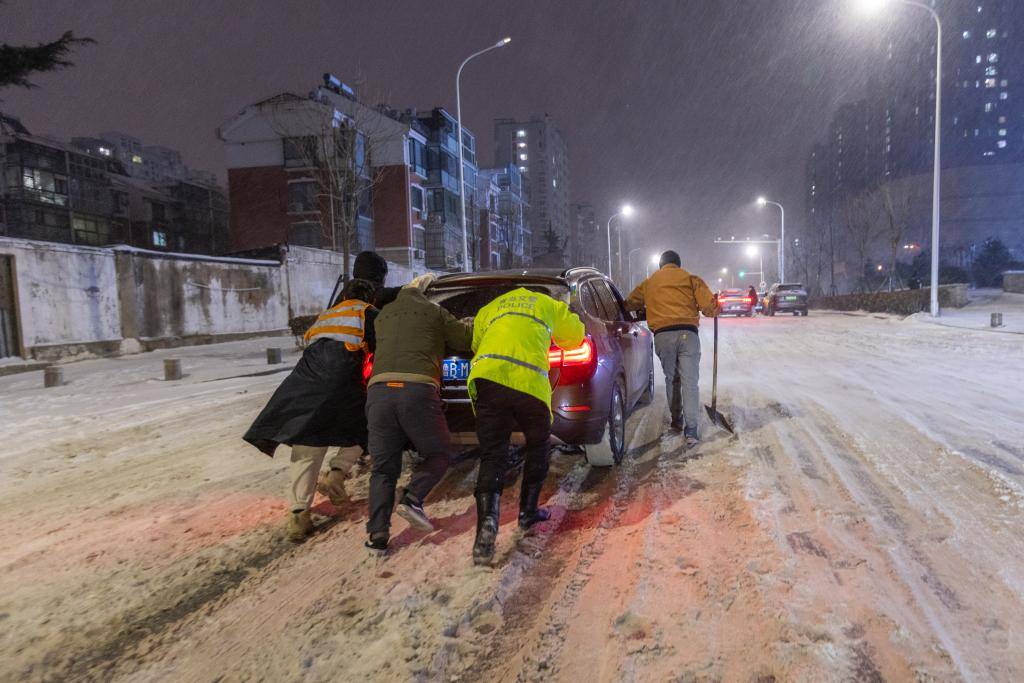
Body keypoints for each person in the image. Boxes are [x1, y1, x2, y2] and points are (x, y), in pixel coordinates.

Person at [243, 278, 379, 542]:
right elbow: (380, 348)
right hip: (343, 383)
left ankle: (298, 515)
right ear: (370, 298)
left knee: (307, 445)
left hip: (305, 382)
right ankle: (337, 475)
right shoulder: (367, 313)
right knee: (365, 428)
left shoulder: (327, 315)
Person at [468, 287, 585, 566]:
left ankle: (486, 527)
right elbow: (575, 338)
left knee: (493, 454)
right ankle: (528, 512)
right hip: (529, 385)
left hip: (489, 380)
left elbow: (476, 343)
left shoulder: (494, 304)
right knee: (538, 445)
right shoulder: (550, 305)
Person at [364, 274, 473, 553]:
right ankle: (412, 498)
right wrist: (469, 326)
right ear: (425, 293)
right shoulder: (434, 311)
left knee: (383, 468)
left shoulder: (383, 315)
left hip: (378, 392)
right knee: (439, 452)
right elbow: (463, 340)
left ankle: (377, 535)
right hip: (417, 391)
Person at [625, 250, 718, 447]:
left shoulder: (649, 283)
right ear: (678, 264)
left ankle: (677, 422)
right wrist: (714, 305)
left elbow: (628, 304)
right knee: (690, 382)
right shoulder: (691, 278)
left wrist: (645, 309)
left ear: (661, 265)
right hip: (688, 334)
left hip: (663, 336)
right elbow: (710, 308)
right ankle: (691, 430)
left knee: (672, 379)